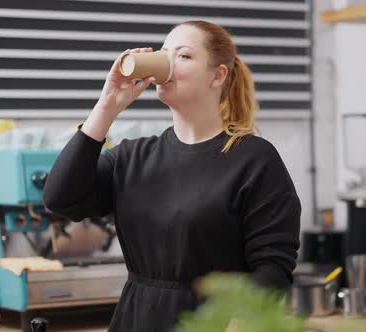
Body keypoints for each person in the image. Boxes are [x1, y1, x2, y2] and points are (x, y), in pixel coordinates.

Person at [43, 20, 301, 332]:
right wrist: (107, 106)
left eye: (184, 56)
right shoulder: (132, 157)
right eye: (165, 53)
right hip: (136, 320)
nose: (167, 62)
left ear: (217, 75)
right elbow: (60, 199)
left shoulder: (254, 159)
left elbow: (273, 268)